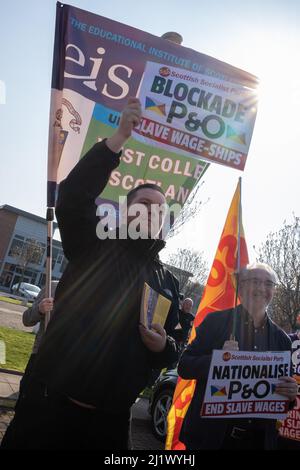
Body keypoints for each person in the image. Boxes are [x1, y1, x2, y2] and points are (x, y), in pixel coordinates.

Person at [1, 98, 180, 450]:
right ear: (126, 211)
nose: (152, 212)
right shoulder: (93, 243)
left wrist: (163, 347)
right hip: (48, 409)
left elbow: (173, 348)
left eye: (160, 210)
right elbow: (72, 198)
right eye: (143, 205)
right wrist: (117, 141)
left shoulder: (168, 283)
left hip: (109, 425)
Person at [178, 262, 298, 450]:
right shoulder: (215, 322)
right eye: (255, 281)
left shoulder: (282, 340)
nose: (261, 288)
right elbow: (184, 366)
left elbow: (282, 396)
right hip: (211, 439)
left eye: (268, 284)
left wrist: (290, 395)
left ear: (273, 291)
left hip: (257, 442)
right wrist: (218, 361)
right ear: (241, 286)